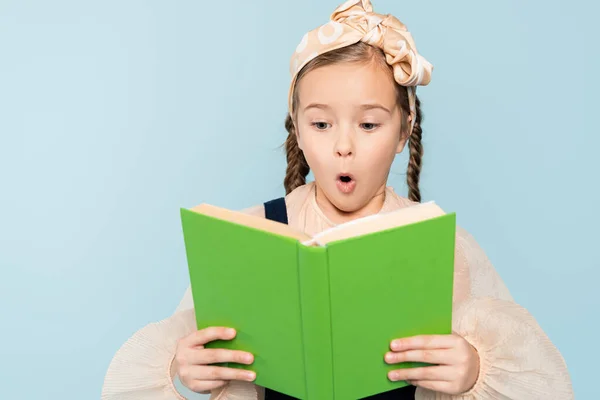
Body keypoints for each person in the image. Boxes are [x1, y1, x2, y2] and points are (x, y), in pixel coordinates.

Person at [101, 1, 574, 399]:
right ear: (298, 130)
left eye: (368, 124)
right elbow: (192, 342)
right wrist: (186, 367)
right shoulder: (249, 232)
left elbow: (533, 377)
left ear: (404, 132)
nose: (343, 146)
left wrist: (472, 369)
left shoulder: (446, 248)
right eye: (321, 124)